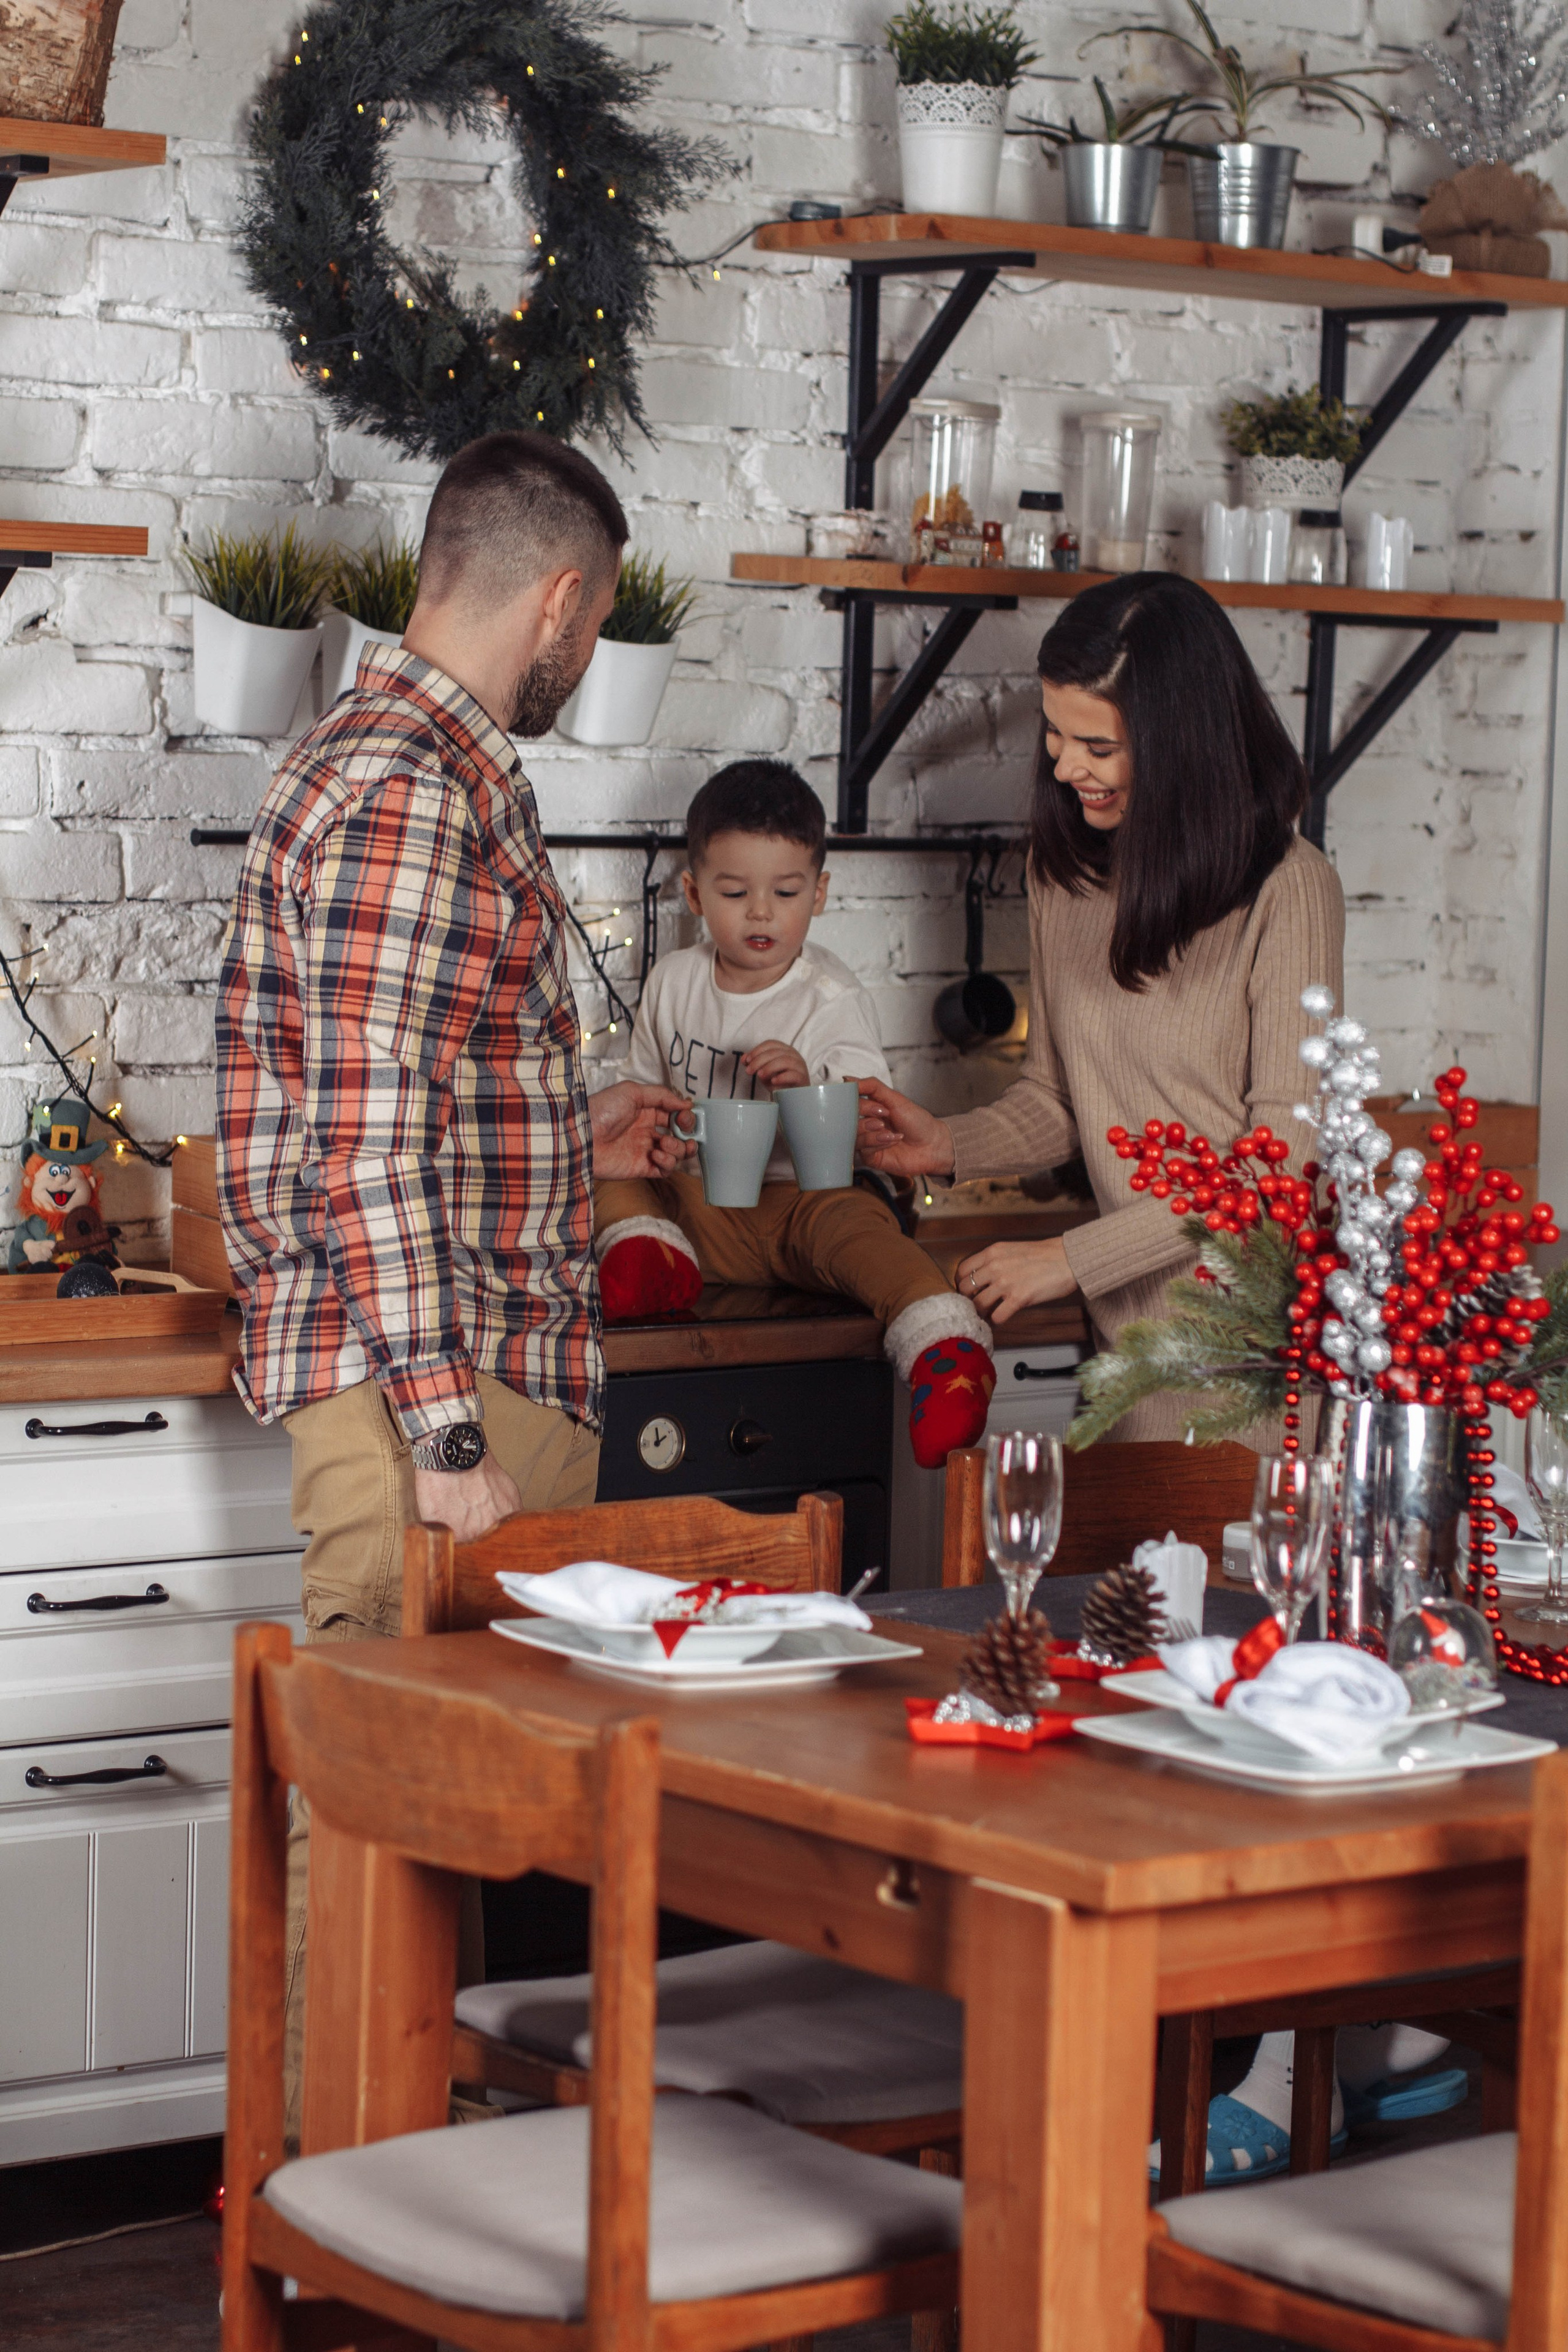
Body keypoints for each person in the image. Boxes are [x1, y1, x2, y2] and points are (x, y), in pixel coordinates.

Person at [216, 429, 690, 2130]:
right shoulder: (415, 787)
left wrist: (569, 1113)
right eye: (599, 620)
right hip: (443, 1386)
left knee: (428, 1823)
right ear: (561, 598)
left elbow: (412, 1079)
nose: (586, 651)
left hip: (461, 1364)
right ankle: (340, 2214)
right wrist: (443, 1433)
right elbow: (361, 1140)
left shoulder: (384, 757)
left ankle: (411, 2200)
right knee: (372, 1808)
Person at [856, 569, 1344, 1443]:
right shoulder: (1066, 871)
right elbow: (1058, 1100)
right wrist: (948, 1145)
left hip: (1254, 1362)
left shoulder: (1289, 889)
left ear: (1180, 741)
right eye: (1054, 734)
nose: (1064, 765)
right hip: (1127, 1346)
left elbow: (1277, 1175)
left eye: (1098, 746)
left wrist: (1071, 1259)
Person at [594, 760, 995, 1464]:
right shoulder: (671, 981)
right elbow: (640, 1095)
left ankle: (945, 1353)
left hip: (803, 1210)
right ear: (692, 892)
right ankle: (647, 1255)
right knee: (608, 1169)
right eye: (733, 891)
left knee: (865, 1233)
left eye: (784, 891)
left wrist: (807, 1082)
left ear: (819, 894)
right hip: (700, 1213)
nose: (760, 912)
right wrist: (652, 1143)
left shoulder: (828, 997)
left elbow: (871, 1124)